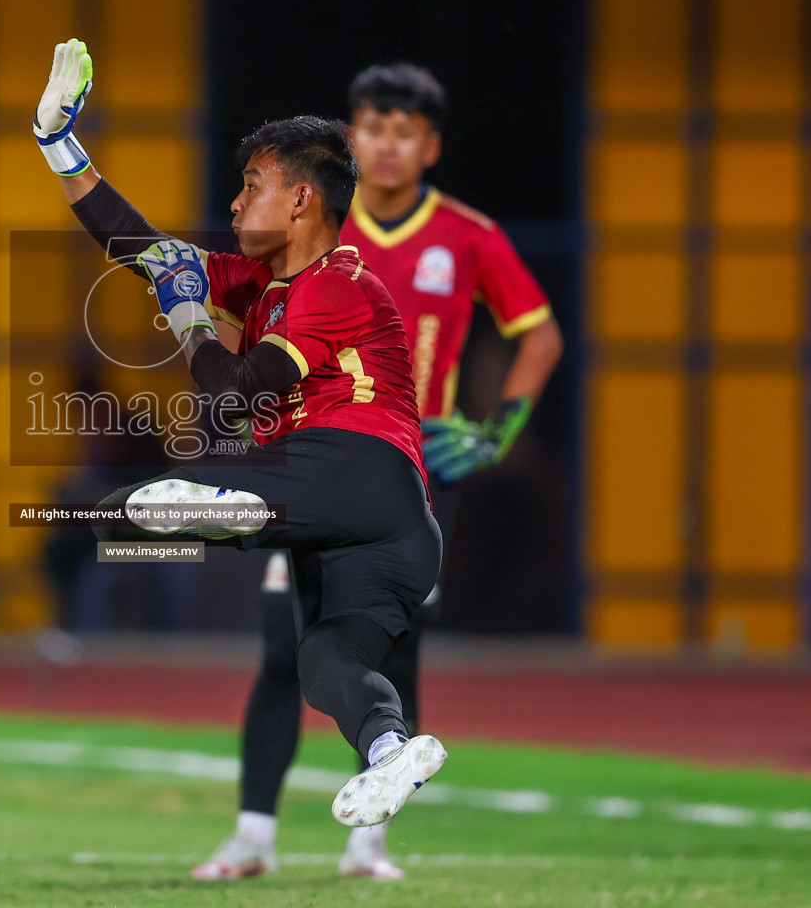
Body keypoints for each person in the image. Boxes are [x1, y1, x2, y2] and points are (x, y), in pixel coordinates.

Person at [34, 39, 449, 840]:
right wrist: (59, 144)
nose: (233, 203)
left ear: (300, 200)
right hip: (387, 534)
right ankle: (391, 747)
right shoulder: (259, 281)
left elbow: (229, 392)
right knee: (330, 667)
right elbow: (141, 248)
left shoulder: (337, 284)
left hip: (353, 472)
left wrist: (190, 315)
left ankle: (226, 508)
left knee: (148, 504)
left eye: (250, 186)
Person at [194, 63, 565, 879]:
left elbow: (538, 333)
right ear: (350, 139)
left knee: (392, 645)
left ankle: (370, 838)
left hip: (409, 469)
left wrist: (498, 432)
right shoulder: (317, 227)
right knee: (279, 647)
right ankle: (253, 834)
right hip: (314, 460)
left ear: (429, 146)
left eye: (404, 130)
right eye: (372, 126)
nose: (387, 144)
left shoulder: (467, 235)